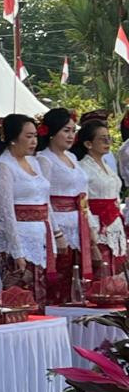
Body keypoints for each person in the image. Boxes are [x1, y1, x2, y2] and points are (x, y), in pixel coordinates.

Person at [0, 115, 52, 306]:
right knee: (21, 299)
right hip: (20, 237)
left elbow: (45, 200)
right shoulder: (3, 166)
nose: (34, 141)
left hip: (41, 235)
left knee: (43, 296)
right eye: (29, 136)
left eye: (35, 136)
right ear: (13, 138)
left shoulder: (36, 163)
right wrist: (17, 251)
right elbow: (5, 212)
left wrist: (55, 236)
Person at [36, 107, 94, 303]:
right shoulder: (44, 159)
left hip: (79, 222)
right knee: (60, 279)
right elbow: (44, 198)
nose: (71, 136)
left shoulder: (72, 157)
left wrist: (90, 226)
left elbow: (83, 194)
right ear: (51, 132)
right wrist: (57, 233)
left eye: (73, 131)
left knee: (76, 279)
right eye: (66, 131)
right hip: (58, 224)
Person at [74, 116, 127, 279]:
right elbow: (83, 203)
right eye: (102, 138)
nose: (107, 142)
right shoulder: (82, 168)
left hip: (115, 225)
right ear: (88, 143)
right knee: (101, 274)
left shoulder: (107, 166)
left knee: (117, 273)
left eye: (108, 138)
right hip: (97, 225)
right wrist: (91, 238)